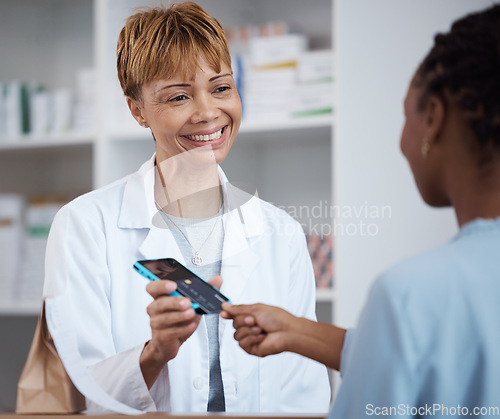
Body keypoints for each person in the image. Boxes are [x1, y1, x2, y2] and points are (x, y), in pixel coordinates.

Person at [42, 1, 330, 414]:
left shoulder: (280, 232)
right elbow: (74, 396)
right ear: (136, 109)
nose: (209, 112)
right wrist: (155, 352)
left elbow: (305, 395)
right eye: (179, 96)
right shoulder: (85, 226)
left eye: (221, 88)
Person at [222, 4, 500, 418]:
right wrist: (297, 330)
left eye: (406, 117)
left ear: (434, 120)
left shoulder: (410, 294)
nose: (402, 143)